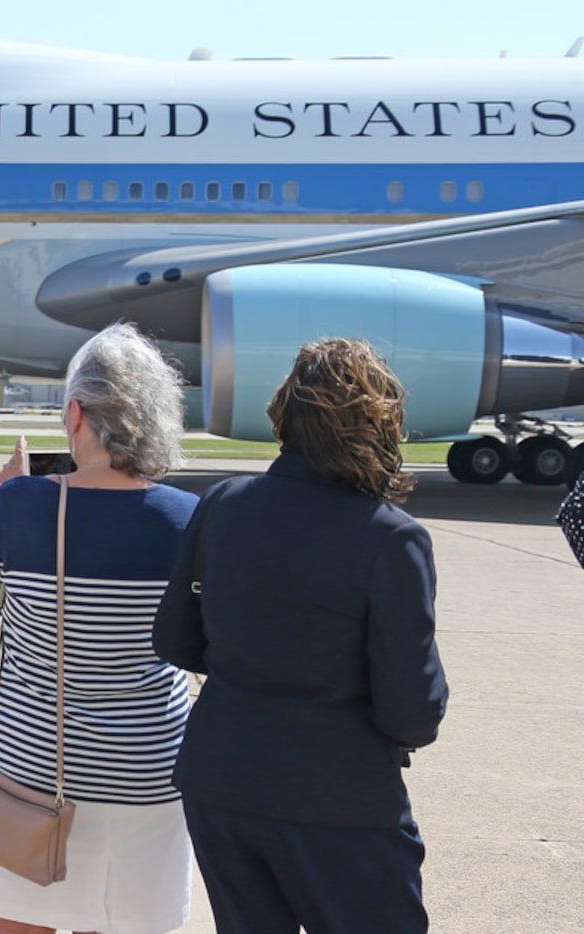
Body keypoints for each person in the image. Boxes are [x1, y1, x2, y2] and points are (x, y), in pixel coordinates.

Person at [153, 337, 449, 934]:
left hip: (223, 780)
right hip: (338, 796)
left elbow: (174, 642)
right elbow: (412, 711)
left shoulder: (223, 504)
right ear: (376, 425)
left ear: (284, 415)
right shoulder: (391, 538)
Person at [0, 322, 198, 933]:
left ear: (74, 413)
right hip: (148, 769)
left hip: (38, 765)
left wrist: (5, 498)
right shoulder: (188, 518)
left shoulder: (22, 502)